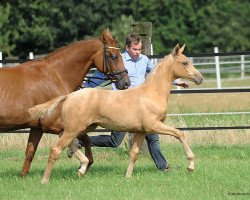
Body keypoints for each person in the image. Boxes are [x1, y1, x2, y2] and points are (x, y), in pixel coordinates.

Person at [68, 33, 189, 171]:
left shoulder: (144, 60)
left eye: (139, 49)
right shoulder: (120, 60)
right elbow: (102, 75)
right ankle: (80, 142)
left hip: (144, 106)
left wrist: (177, 81)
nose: (138, 52)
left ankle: (163, 167)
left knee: (153, 138)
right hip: (124, 106)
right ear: (127, 47)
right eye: (135, 49)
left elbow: (160, 72)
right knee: (114, 141)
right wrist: (88, 85)